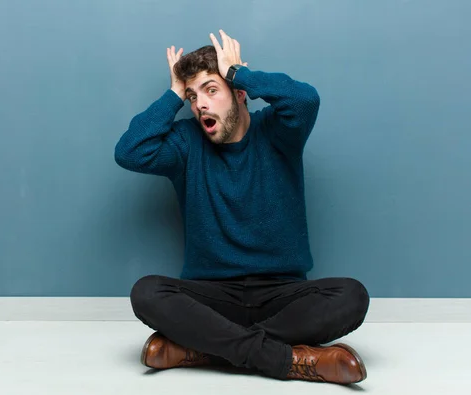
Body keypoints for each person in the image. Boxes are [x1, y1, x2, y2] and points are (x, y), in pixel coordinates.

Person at [114, 29, 370, 385]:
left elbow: (305, 100)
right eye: (192, 96)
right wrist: (174, 92)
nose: (199, 103)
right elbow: (129, 151)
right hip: (212, 296)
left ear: (239, 94)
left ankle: (203, 348)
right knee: (147, 293)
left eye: (211, 90)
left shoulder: (278, 132)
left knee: (351, 296)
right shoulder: (186, 142)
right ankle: (285, 359)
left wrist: (238, 72)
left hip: (282, 293)